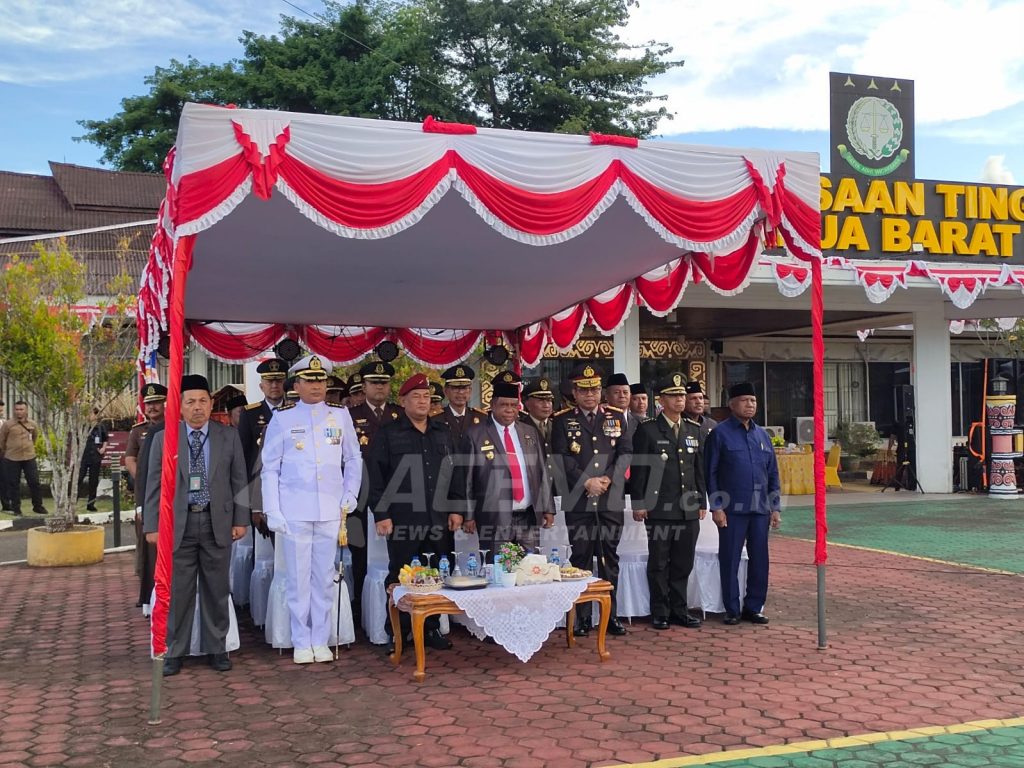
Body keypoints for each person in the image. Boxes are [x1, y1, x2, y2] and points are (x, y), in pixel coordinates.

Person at [144, 374, 250, 676]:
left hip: (218, 521)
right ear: (179, 406)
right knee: (178, 591)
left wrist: (240, 519)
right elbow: (153, 485)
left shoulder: (227, 435)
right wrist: (152, 525)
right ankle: (174, 650)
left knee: (217, 588)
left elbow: (239, 479)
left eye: (203, 401)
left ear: (211, 403)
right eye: (190, 402)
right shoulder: (165, 438)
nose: (197, 407)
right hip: (180, 524)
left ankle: (217, 648)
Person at [261, 355, 362, 664]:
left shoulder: (339, 415)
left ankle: (320, 638)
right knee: (298, 578)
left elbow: (353, 458)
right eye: (310, 380)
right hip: (295, 510)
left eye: (321, 380)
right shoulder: (283, 418)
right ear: (297, 385)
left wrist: (350, 492)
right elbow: (269, 468)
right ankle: (301, 640)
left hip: (330, 509)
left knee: (324, 577)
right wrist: (273, 510)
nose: (317, 386)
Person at [367, 373, 464, 653]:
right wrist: (381, 514)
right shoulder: (388, 433)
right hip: (403, 518)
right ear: (403, 401)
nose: (422, 402)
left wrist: (457, 508)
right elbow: (375, 477)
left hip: (438, 518)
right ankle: (398, 632)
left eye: (427, 397)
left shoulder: (442, 432)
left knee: (436, 574)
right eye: (416, 397)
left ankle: (431, 628)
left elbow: (455, 473)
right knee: (401, 575)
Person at [551, 363, 631, 637]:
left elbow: (625, 453)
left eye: (595, 390)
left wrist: (607, 479)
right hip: (579, 499)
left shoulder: (616, 417)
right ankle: (582, 617)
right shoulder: (562, 420)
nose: (590, 395)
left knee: (610, 559)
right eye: (584, 390)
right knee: (581, 558)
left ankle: (611, 616)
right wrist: (586, 481)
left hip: (609, 499)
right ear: (574, 392)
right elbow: (560, 457)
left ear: (601, 392)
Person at [629, 373, 706, 630]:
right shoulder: (648, 429)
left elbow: (698, 469)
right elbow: (639, 470)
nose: (680, 399)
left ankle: (679, 610)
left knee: (684, 562)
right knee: (659, 562)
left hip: (688, 508)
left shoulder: (693, 429)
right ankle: (660, 611)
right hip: (659, 508)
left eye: (682, 395)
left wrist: (702, 501)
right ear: (661, 400)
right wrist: (639, 503)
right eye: (673, 395)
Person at [704, 382, 782, 626]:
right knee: (730, 559)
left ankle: (754, 607)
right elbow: (711, 473)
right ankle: (731, 609)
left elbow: (773, 473)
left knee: (760, 560)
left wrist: (775, 507)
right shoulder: (720, 434)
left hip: (760, 509)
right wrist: (716, 507)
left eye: (753, 400)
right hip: (732, 510)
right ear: (732, 404)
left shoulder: (763, 435)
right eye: (745, 400)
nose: (750, 405)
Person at [462, 375, 555, 558]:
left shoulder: (529, 433)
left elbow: (541, 472)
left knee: (530, 569)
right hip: (494, 518)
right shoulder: (476, 434)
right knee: (497, 569)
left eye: (513, 405)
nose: (509, 410)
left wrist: (548, 508)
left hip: (528, 516)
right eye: (504, 405)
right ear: (493, 405)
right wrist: (468, 515)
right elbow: (467, 479)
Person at [347, 360, 402, 619]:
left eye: (384, 383)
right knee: (360, 552)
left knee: (395, 553)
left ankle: (395, 609)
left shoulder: (399, 414)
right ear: (364, 386)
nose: (379, 387)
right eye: (374, 383)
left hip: (395, 495)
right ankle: (361, 610)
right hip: (360, 494)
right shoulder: (350, 416)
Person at [126, 382, 166, 607]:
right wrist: (144, 477)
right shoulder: (138, 431)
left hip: (168, 493)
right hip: (146, 494)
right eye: (148, 404)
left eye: (156, 403)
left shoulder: (175, 426)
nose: (152, 407)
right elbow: (130, 458)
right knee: (146, 543)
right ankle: (147, 594)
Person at [238, 358, 287, 540]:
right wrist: (254, 505)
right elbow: (243, 458)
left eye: (279, 381)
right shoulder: (250, 413)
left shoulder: (294, 410)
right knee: (263, 551)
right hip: (261, 491)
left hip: (290, 491)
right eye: (269, 381)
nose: (274, 385)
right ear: (261, 386)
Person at [0, 401, 47, 516]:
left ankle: (38, 506)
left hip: (29, 457)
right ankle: (16, 508)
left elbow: (34, 437)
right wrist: (7, 452)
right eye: (17, 409)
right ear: (14, 410)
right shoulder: (7, 425)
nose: (19, 412)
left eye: (21, 409)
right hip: (12, 458)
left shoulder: (32, 424)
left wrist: (29, 447)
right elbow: (2, 440)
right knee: (13, 484)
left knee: (34, 482)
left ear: (26, 410)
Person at [432, 365, 486, 445]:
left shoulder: (482, 418)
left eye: (464, 388)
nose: (460, 392)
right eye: (455, 388)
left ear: (470, 391)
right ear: (445, 391)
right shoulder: (435, 419)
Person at [77, 408, 109, 512]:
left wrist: (103, 448)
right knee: (78, 479)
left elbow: (105, 439)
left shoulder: (100, 427)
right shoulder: (83, 426)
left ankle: (91, 504)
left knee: (93, 481)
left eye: (92, 414)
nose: (90, 416)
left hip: (95, 456)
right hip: (83, 456)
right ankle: (73, 501)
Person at [603, 373, 638, 440]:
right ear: (606, 396)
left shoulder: (639, 421)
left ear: (630, 395)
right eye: (616, 392)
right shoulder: (600, 419)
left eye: (625, 392)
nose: (622, 396)